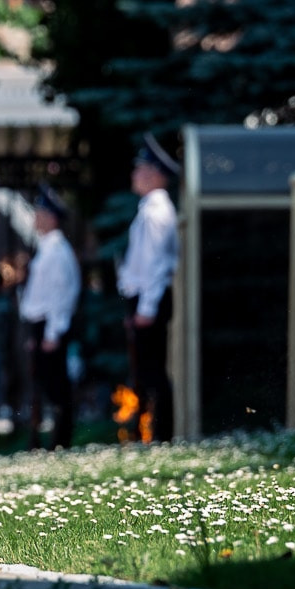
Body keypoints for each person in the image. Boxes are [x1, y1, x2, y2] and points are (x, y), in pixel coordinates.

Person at [116, 135, 182, 442]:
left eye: (139, 170)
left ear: (154, 174)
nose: (133, 176)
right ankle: (150, 432)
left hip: (150, 300)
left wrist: (145, 308)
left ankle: (162, 434)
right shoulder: (149, 210)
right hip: (143, 299)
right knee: (145, 371)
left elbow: (156, 266)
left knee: (154, 371)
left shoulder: (156, 212)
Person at [18, 188, 80, 448]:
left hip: (49, 326)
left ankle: (60, 440)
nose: (36, 218)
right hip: (40, 326)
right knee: (45, 385)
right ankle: (49, 439)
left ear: (52, 218)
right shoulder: (46, 248)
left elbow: (61, 294)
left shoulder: (57, 251)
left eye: (40, 213)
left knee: (57, 388)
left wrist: (52, 332)